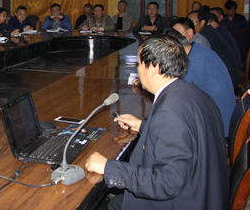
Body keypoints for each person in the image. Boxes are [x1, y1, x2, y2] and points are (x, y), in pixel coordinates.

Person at [85, 35, 229, 210]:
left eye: (139, 64)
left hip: (184, 201)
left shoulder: (169, 112)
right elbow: (183, 136)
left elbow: (167, 183)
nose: (138, 70)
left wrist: (108, 168)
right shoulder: (191, 92)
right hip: (203, 190)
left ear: (154, 69)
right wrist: (143, 126)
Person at [164, 29, 236, 136]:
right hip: (222, 116)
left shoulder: (194, 62)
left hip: (218, 129)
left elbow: (175, 94)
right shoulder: (198, 49)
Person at [189, 10, 241, 86]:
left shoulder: (205, 36)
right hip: (229, 75)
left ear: (202, 23)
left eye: (192, 22)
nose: (189, 25)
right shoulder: (209, 31)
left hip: (227, 80)